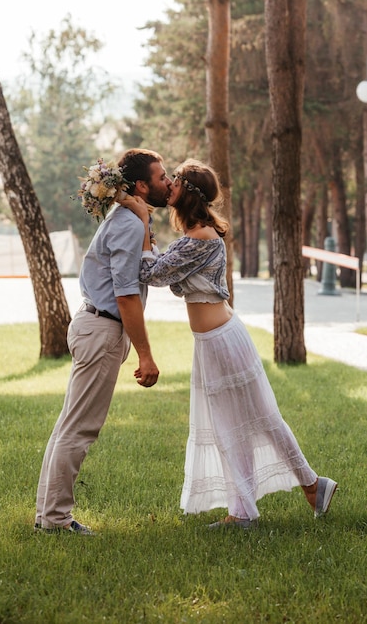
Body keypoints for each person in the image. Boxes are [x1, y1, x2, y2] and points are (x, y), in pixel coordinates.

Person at [123, 158, 337, 529]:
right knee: (244, 422)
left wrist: (142, 222)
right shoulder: (195, 236)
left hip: (222, 342)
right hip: (215, 341)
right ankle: (286, 495)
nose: (169, 183)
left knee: (252, 421)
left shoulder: (201, 239)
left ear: (188, 193)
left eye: (175, 180)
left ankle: (290, 494)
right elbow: (161, 264)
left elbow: (151, 273)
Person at [34, 148, 172, 535]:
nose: (168, 182)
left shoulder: (131, 218)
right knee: (78, 429)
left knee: (69, 425)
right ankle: (55, 522)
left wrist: (144, 218)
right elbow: (127, 294)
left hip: (96, 327)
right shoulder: (129, 223)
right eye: (161, 177)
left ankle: (49, 517)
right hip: (102, 329)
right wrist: (145, 355)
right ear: (141, 185)